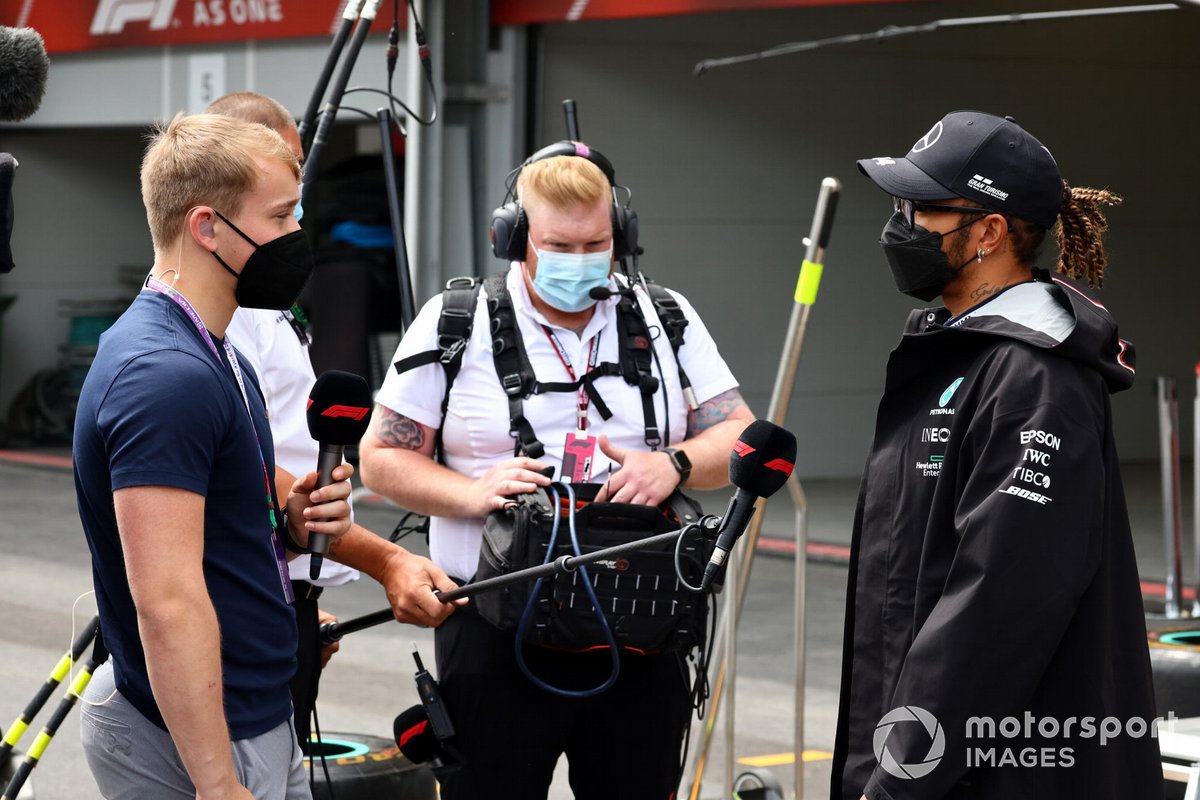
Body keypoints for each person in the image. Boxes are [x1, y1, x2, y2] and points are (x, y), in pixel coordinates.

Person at [358, 146, 754, 799]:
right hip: (492, 631)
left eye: (596, 243)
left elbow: (740, 434)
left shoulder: (665, 319)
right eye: (558, 245)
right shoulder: (458, 321)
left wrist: (675, 463)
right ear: (515, 238)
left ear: (620, 236)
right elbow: (380, 457)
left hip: (642, 635)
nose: (579, 259)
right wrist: (470, 490)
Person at [831, 110, 1162, 799]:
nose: (901, 225)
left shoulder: (1035, 378)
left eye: (923, 208)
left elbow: (999, 608)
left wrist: (898, 778)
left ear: (989, 231)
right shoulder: (955, 349)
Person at [74, 113, 345, 800]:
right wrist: (218, 782)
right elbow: (166, 602)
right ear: (206, 227)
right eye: (281, 216)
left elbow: (218, 535)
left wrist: (289, 518)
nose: (295, 238)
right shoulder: (167, 374)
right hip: (207, 739)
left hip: (252, 712)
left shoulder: (215, 349)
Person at [209, 90, 459, 754]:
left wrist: (294, 594)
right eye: (285, 186)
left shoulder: (262, 303)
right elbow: (255, 475)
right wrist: (388, 561)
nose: (300, 194)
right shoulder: (225, 319)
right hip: (239, 606)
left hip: (272, 592)